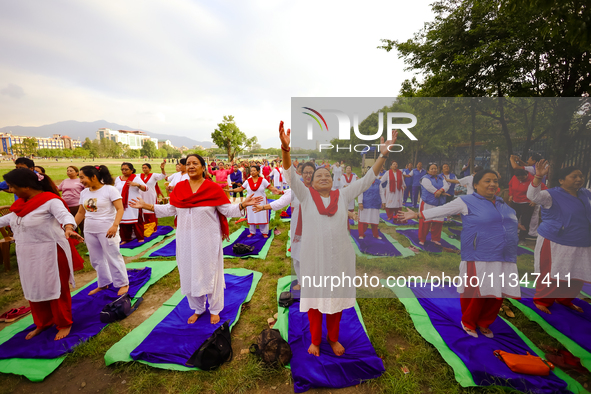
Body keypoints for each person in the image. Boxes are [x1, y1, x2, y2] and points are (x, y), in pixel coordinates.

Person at [280, 120, 397, 356]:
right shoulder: (305, 196)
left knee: (334, 301)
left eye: (326, 175)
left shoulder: (343, 195)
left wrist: (382, 156)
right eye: (318, 176)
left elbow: (366, 181)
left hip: (339, 260)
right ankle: (315, 340)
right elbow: (290, 175)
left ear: (333, 180)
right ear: (311, 182)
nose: (323, 177)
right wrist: (285, 150)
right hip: (314, 259)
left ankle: (333, 339)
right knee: (314, 302)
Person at [130, 154, 262, 324]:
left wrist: (243, 205)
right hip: (185, 240)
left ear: (203, 167)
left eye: (195, 163)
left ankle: (215, 309)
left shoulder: (213, 188)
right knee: (188, 273)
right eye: (188, 164)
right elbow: (171, 209)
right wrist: (146, 206)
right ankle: (198, 308)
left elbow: (227, 211)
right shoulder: (179, 188)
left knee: (211, 273)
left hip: (208, 240)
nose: (191, 166)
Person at [399, 169, 520, 338]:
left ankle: (485, 322)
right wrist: (419, 214)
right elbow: (443, 210)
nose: (492, 184)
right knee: (477, 291)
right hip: (479, 255)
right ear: (475, 185)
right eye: (487, 181)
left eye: (495, 181)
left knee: (497, 291)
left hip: (504, 255)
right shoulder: (467, 201)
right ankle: (469, 321)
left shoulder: (501, 203)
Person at [0, 168, 83, 340]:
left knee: (56, 289)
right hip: (27, 255)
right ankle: (43, 323)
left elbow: (65, 216)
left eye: (13, 187)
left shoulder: (50, 201)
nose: (11, 191)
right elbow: (7, 220)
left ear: (26, 186)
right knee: (34, 288)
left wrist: (69, 228)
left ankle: (64, 322)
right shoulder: (20, 205)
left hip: (50, 252)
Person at [527, 161, 591, 314]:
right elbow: (532, 196)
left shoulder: (586, 193)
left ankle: (564, 299)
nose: (578, 179)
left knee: (576, 274)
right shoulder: (551, 194)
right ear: (562, 180)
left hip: (582, 241)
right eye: (574, 176)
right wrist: (538, 177)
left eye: (580, 176)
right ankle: (542, 300)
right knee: (551, 273)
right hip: (556, 241)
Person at [76, 165, 129, 296]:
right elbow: (80, 213)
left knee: (113, 256)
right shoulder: (84, 193)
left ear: (93, 177)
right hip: (89, 230)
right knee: (96, 259)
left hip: (107, 229)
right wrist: (70, 227)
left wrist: (115, 225)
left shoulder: (110, 190)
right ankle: (103, 283)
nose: (80, 181)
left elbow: (120, 209)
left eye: (82, 177)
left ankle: (122, 283)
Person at [227, 165, 277, 238]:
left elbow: (270, 187)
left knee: (262, 215)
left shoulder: (263, 180)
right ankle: (252, 232)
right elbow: (241, 189)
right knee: (251, 215)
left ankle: (264, 232)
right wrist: (230, 190)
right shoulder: (247, 181)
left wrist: (280, 192)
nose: (252, 172)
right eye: (251, 171)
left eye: (254, 170)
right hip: (250, 202)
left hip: (261, 201)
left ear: (258, 171)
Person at [417, 164, 450, 246]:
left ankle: (435, 238)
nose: (434, 170)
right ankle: (422, 239)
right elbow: (429, 187)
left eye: (435, 168)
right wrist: (437, 192)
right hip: (427, 202)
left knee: (438, 221)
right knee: (425, 221)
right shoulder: (425, 178)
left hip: (439, 202)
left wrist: (441, 190)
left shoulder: (441, 177)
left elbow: (446, 185)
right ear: (428, 171)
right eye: (431, 169)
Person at [115, 163, 147, 244]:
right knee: (123, 221)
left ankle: (140, 237)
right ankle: (126, 238)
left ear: (132, 170)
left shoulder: (135, 178)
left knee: (137, 220)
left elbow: (146, 188)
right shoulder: (118, 179)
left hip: (134, 202)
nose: (124, 171)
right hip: (122, 203)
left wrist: (137, 184)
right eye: (122, 169)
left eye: (126, 169)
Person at [508, 169, 536, 244]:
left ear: (526, 174)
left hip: (527, 203)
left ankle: (522, 238)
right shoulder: (514, 177)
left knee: (525, 221)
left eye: (522, 178)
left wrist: (535, 200)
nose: (520, 180)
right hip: (515, 201)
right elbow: (510, 185)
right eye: (518, 178)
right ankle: (511, 237)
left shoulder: (533, 179)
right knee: (512, 219)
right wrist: (511, 194)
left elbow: (541, 190)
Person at [57, 166, 86, 234]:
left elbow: (87, 191)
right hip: (66, 205)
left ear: (77, 173)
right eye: (68, 171)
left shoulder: (80, 181)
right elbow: (58, 189)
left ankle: (84, 234)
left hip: (77, 204)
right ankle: (73, 234)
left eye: (71, 171)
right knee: (69, 221)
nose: (69, 172)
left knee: (80, 221)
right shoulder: (65, 181)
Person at [140, 161, 167, 230]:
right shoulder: (139, 176)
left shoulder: (153, 175)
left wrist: (162, 169)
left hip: (150, 195)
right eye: (143, 168)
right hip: (141, 195)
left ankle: (153, 226)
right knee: (142, 209)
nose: (144, 169)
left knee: (151, 208)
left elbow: (162, 176)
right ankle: (144, 226)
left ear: (150, 169)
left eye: (146, 168)